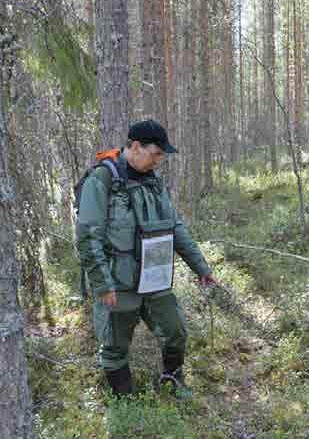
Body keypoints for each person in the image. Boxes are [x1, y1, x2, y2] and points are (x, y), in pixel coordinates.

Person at [77, 119, 216, 397]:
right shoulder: (102, 180)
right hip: (118, 282)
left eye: (162, 156)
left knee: (175, 331)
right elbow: (88, 235)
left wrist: (201, 267)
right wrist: (102, 285)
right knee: (115, 347)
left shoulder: (154, 182)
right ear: (136, 147)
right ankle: (125, 402)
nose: (159, 160)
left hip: (155, 279)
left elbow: (174, 226)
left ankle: (172, 379)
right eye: (156, 153)